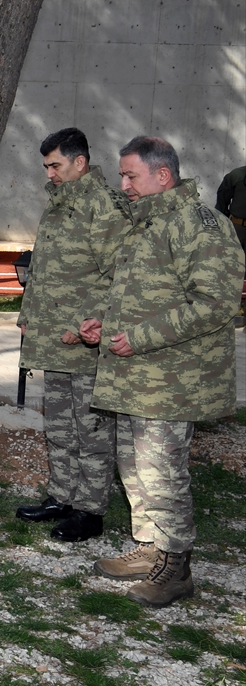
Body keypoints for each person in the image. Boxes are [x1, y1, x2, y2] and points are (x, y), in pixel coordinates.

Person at [80, 136, 244, 608]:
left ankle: (175, 570)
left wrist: (141, 338)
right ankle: (150, 549)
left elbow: (215, 304)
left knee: (162, 473)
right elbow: (146, 297)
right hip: (137, 378)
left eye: (131, 175)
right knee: (134, 468)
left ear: (163, 176)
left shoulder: (201, 225)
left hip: (172, 381)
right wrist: (104, 324)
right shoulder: (147, 223)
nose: (124, 184)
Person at [14, 128, 130, 542]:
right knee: (60, 427)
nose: (49, 174)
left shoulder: (103, 206)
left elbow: (118, 275)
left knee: (92, 431)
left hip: (84, 343)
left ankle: (90, 511)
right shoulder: (60, 204)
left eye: (55, 165)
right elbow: (40, 269)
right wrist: (27, 316)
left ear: (80, 163)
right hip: (51, 340)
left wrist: (86, 323)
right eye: (46, 166)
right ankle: (62, 497)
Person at [214, 164, 246, 263]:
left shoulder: (236, 175)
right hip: (237, 229)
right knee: (230, 263)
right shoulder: (236, 175)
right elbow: (221, 203)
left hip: (237, 228)